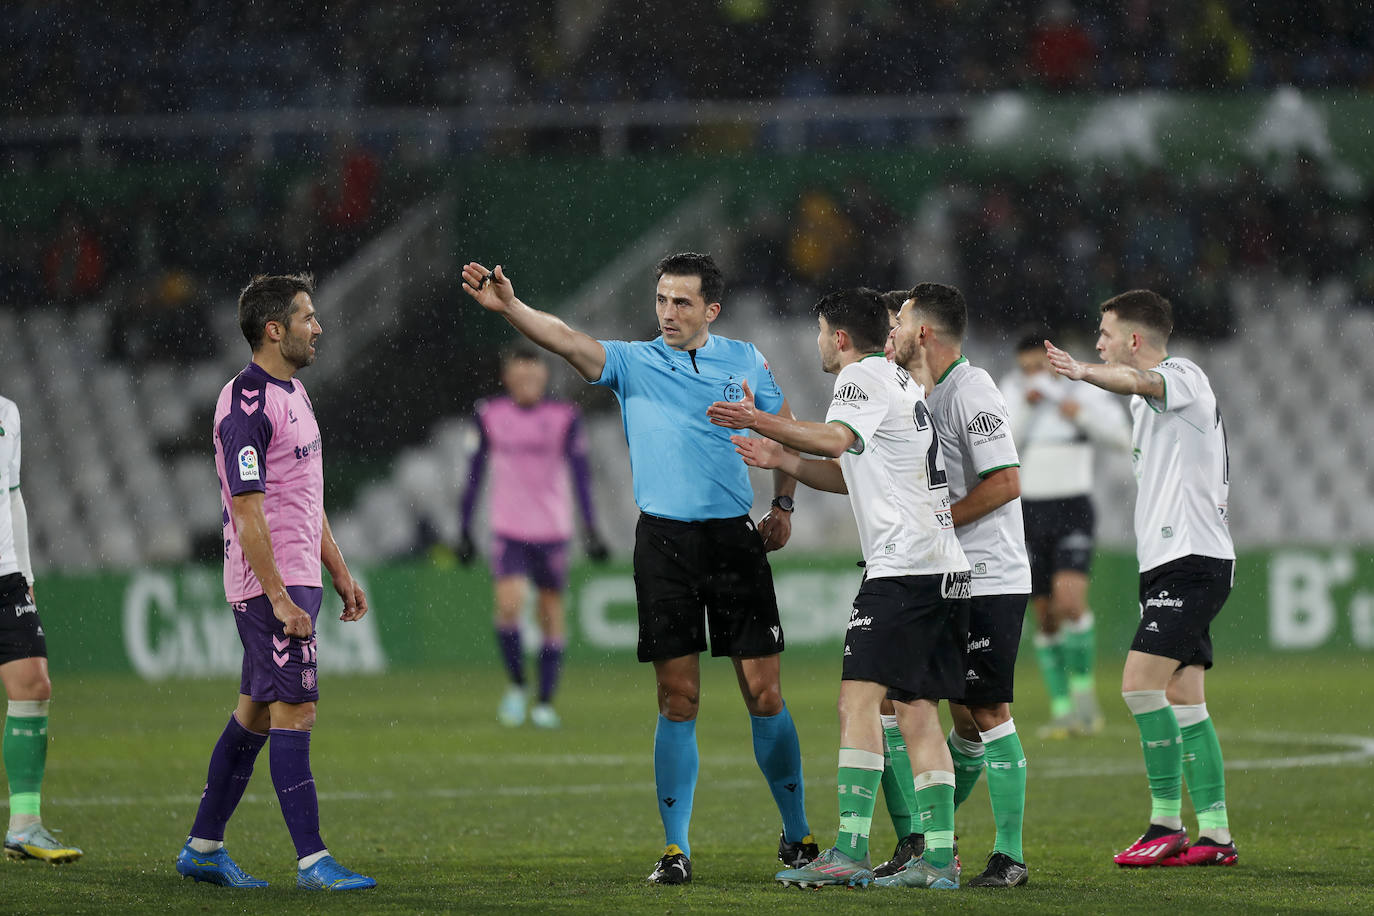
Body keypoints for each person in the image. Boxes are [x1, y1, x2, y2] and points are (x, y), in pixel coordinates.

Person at [460, 253, 816, 885]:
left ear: (711, 309)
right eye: (660, 300)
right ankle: (676, 849)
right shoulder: (632, 361)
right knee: (677, 698)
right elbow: (567, 339)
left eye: (681, 302)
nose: (667, 313)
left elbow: (786, 431)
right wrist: (511, 308)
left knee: (764, 694)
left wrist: (784, 503)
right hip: (664, 545)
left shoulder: (746, 360)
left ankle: (798, 834)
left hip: (735, 544)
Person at [708, 288, 969, 891]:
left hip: (903, 568)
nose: (819, 343)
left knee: (857, 704)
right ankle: (937, 857)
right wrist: (781, 454)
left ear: (841, 338)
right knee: (916, 711)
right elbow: (848, 471)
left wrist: (759, 419)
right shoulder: (902, 382)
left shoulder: (861, 380)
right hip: (940, 566)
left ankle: (851, 849)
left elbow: (832, 440)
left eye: (822, 332)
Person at [174, 273, 376, 891]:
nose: (318, 327)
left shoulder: (296, 393)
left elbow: (304, 499)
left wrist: (339, 572)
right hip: (271, 587)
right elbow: (248, 511)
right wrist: (281, 597)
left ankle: (203, 849)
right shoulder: (245, 406)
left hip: (297, 579)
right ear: (274, 329)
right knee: (298, 709)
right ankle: (314, 862)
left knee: (257, 714)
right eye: (307, 317)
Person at [1046, 289, 1238, 868]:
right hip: (1166, 563)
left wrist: (1082, 372)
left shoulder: (1182, 374)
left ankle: (1164, 823)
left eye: (1105, 334)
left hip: (1194, 561)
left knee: (1137, 684)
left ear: (1134, 338)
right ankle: (1217, 835)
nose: (1098, 343)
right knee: (1183, 697)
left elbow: (1141, 382)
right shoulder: (1147, 402)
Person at [897, 283, 1033, 888]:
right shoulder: (927, 394)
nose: (893, 327)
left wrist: (939, 519)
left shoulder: (972, 389)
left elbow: (1005, 481)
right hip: (951, 575)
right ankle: (933, 845)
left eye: (900, 318)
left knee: (985, 709)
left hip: (990, 576)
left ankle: (1008, 856)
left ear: (924, 332)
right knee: (957, 717)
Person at [457, 344, 609, 729]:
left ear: (543, 377)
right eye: (519, 374)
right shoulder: (490, 415)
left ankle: (544, 702)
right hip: (508, 529)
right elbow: (474, 474)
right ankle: (518, 685)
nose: (526, 381)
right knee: (509, 606)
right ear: (507, 378)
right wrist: (463, 527)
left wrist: (591, 528)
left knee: (550, 615)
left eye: (534, 374)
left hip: (552, 530)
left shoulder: (564, 417)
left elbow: (580, 475)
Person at [1001, 329, 1131, 738]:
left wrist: (1079, 414)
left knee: (1070, 602)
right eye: (1026, 371)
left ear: (1054, 359)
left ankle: (1085, 702)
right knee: (1044, 616)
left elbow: (1121, 439)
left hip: (1072, 506)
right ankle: (1062, 711)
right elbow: (1001, 444)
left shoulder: (1087, 391)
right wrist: (1026, 403)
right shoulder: (1012, 391)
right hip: (1028, 511)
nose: (1033, 376)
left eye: (1039, 367)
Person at [0, 397, 82, 864]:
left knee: (33, 685)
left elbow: (11, 494)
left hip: (5, 577)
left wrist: (24, 571)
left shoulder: (8, 413)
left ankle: (24, 827)